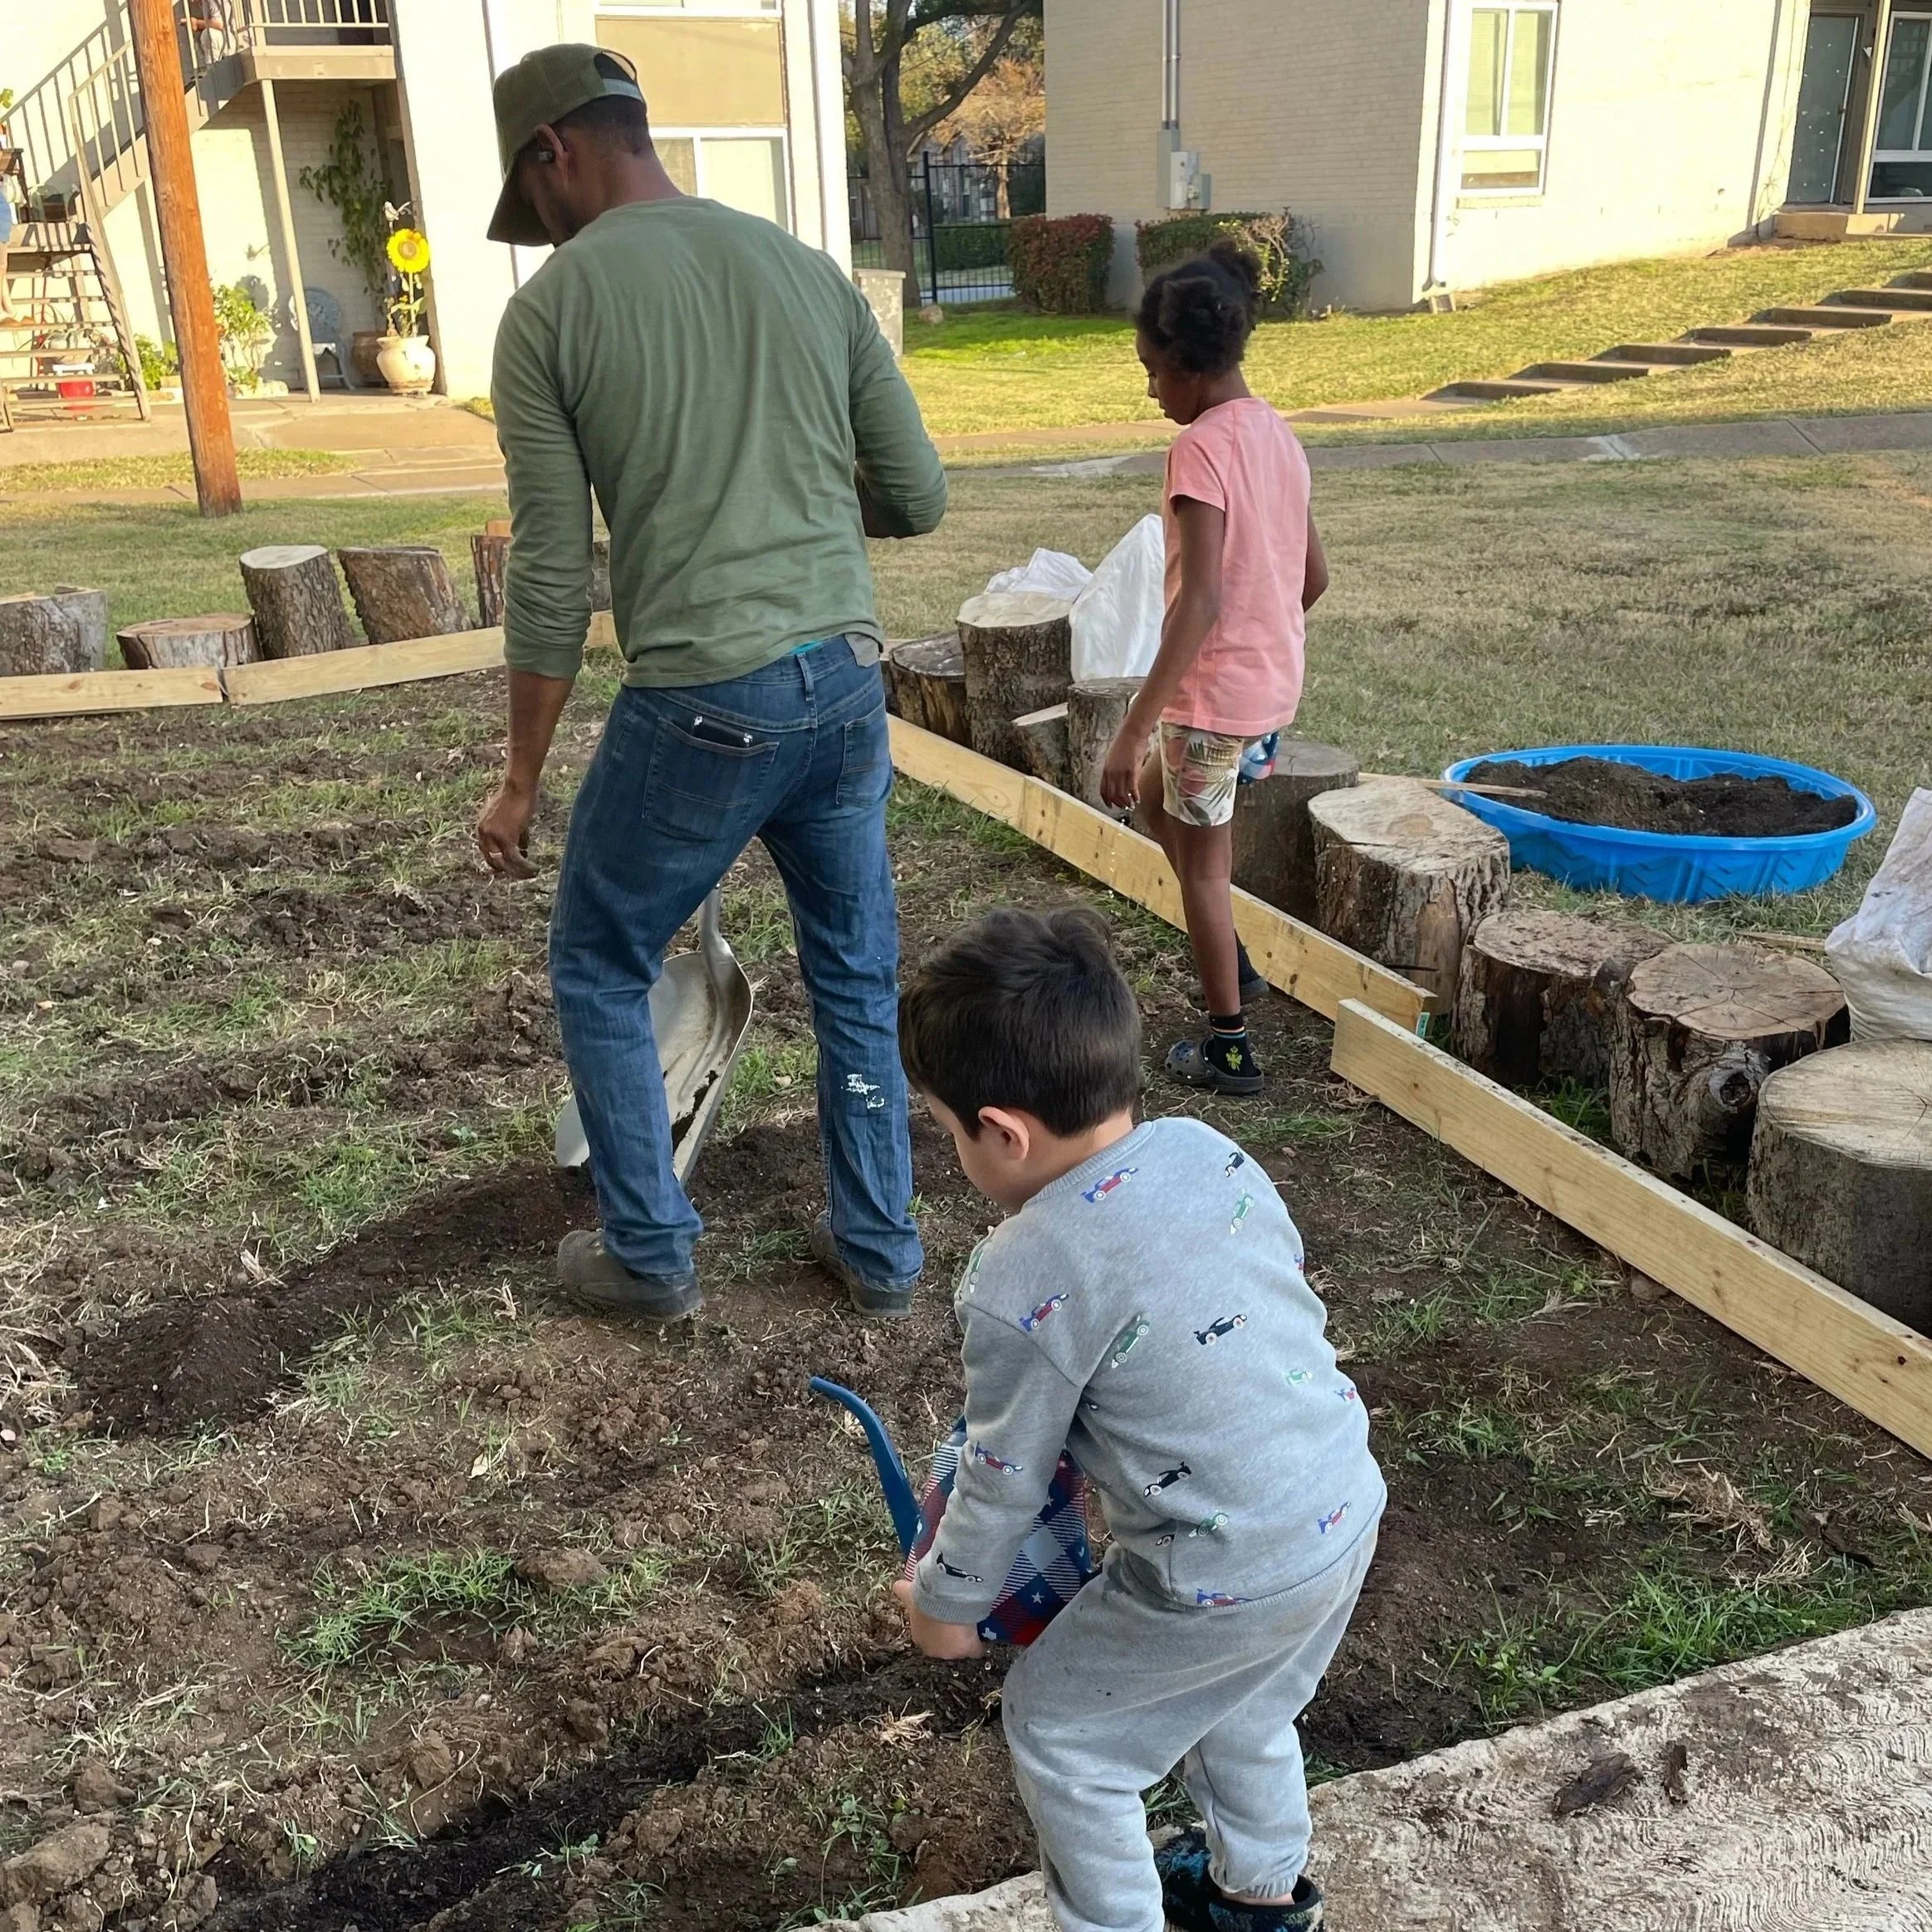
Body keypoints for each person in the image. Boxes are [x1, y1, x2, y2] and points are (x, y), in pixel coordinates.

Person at [474, 45, 947, 1323]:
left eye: (535, 198)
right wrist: (789, 509)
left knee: (597, 953)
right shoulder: (805, 270)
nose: (542, 229)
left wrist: (519, 777)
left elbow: (554, 572)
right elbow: (916, 493)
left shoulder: (552, 314)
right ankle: (882, 1250)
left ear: (554, 151)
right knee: (852, 969)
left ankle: (648, 1250)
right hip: (846, 685)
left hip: (701, 701)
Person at [892, 907, 1383, 1932]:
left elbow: (1000, 1474)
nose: (951, 1151)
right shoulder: (1207, 1149)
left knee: (1065, 1736)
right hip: (1337, 1504)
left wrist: (946, 1603)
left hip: (1219, 1566)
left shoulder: (1022, 1271)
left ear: (1004, 1130)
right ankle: (1257, 1897)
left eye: (944, 1129)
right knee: (1239, 1699)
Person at [1100, 242, 1329, 1097]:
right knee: (1163, 805)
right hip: (1265, 692)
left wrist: (1130, 730)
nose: (1150, 389)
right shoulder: (1276, 434)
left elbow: (1195, 601)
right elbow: (1312, 578)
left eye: (1152, 372)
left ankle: (1228, 1043)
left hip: (1208, 705)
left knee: (1203, 865)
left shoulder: (1198, 448)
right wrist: (1259, 646)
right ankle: (1229, 954)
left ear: (1188, 369)